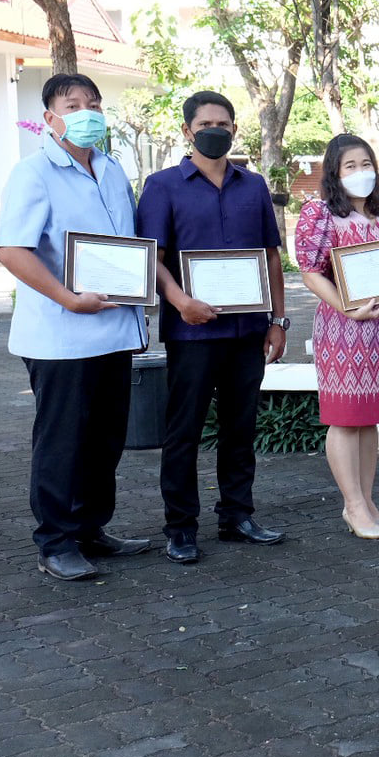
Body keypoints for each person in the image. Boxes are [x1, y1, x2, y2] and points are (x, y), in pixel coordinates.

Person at [0, 74, 152, 580]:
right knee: (62, 441)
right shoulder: (34, 172)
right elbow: (11, 249)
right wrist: (67, 297)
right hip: (61, 335)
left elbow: (127, 246)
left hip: (113, 331)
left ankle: (89, 529)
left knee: (104, 440)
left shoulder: (111, 170)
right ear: (50, 117)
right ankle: (55, 541)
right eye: (73, 104)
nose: (87, 112)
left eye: (94, 104)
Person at [136, 91, 288, 565]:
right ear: (188, 131)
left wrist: (279, 321)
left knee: (240, 428)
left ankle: (237, 516)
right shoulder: (162, 186)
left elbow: (270, 256)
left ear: (234, 129)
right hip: (193, 332)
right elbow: (152, 259)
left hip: (247, 330)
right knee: (183, 431)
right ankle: (180, 527)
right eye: (205, 123)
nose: (214, 129)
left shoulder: (254, 185)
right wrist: (180, 301)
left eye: (223, 122)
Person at [294, 134, 379, 539]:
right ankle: (352, 505)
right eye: (350, 166)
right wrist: (347, 307)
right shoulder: (319, 214)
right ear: (334, 172)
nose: (360, 173)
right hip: (343, 329)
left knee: (369, 419)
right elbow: (311, 272)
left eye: (366, 164)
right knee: (346, 419)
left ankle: (367, 499)